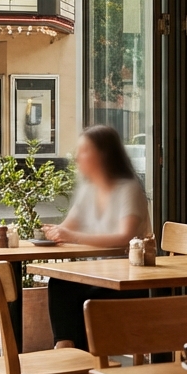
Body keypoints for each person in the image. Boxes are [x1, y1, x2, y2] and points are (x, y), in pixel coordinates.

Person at [42, 125, 151, 358]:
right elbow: (66, 228)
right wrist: (49, 232)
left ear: (103, 155)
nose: (78, 157)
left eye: (84, 151)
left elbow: (125, 237)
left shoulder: (128, 189)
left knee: (80, 301)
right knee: (60, 284)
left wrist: (71, 236)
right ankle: (68, 359)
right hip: (101, 276)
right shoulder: (90, 190)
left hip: (130, 281)